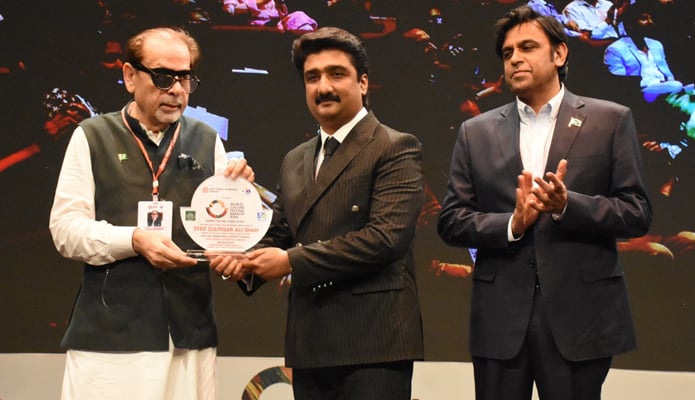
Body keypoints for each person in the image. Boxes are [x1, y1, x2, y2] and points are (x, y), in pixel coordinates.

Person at [437, 6, 652, 400]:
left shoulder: (610, 120)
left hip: (579, 318)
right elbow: (451, 221)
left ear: (559, 54)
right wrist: (511, 225)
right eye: (507, 52)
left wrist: (570, 205)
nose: (515, 58)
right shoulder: (475, 132)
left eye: (527, 47)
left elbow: (637, 212)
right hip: (500, 319)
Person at [212, 26, 425, 400]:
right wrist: (240, 257)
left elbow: (384, 240)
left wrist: (290, 261)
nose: (323, 86)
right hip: (310, 344)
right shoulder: (295, 159)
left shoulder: (395, 147)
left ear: (363, 83)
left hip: (374, 344)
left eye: (336, 74)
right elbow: (278, 232)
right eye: (312, 77)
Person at [49, 26, 253, 400]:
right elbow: (65, 230)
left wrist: (243, 194)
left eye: (186, 78)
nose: (176, 90)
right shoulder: (92, 135)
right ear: (130, 75)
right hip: (110, 338)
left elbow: (226, 229)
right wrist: (133, 240)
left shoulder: (208, 140)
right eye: (163, 77)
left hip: (189, 333)